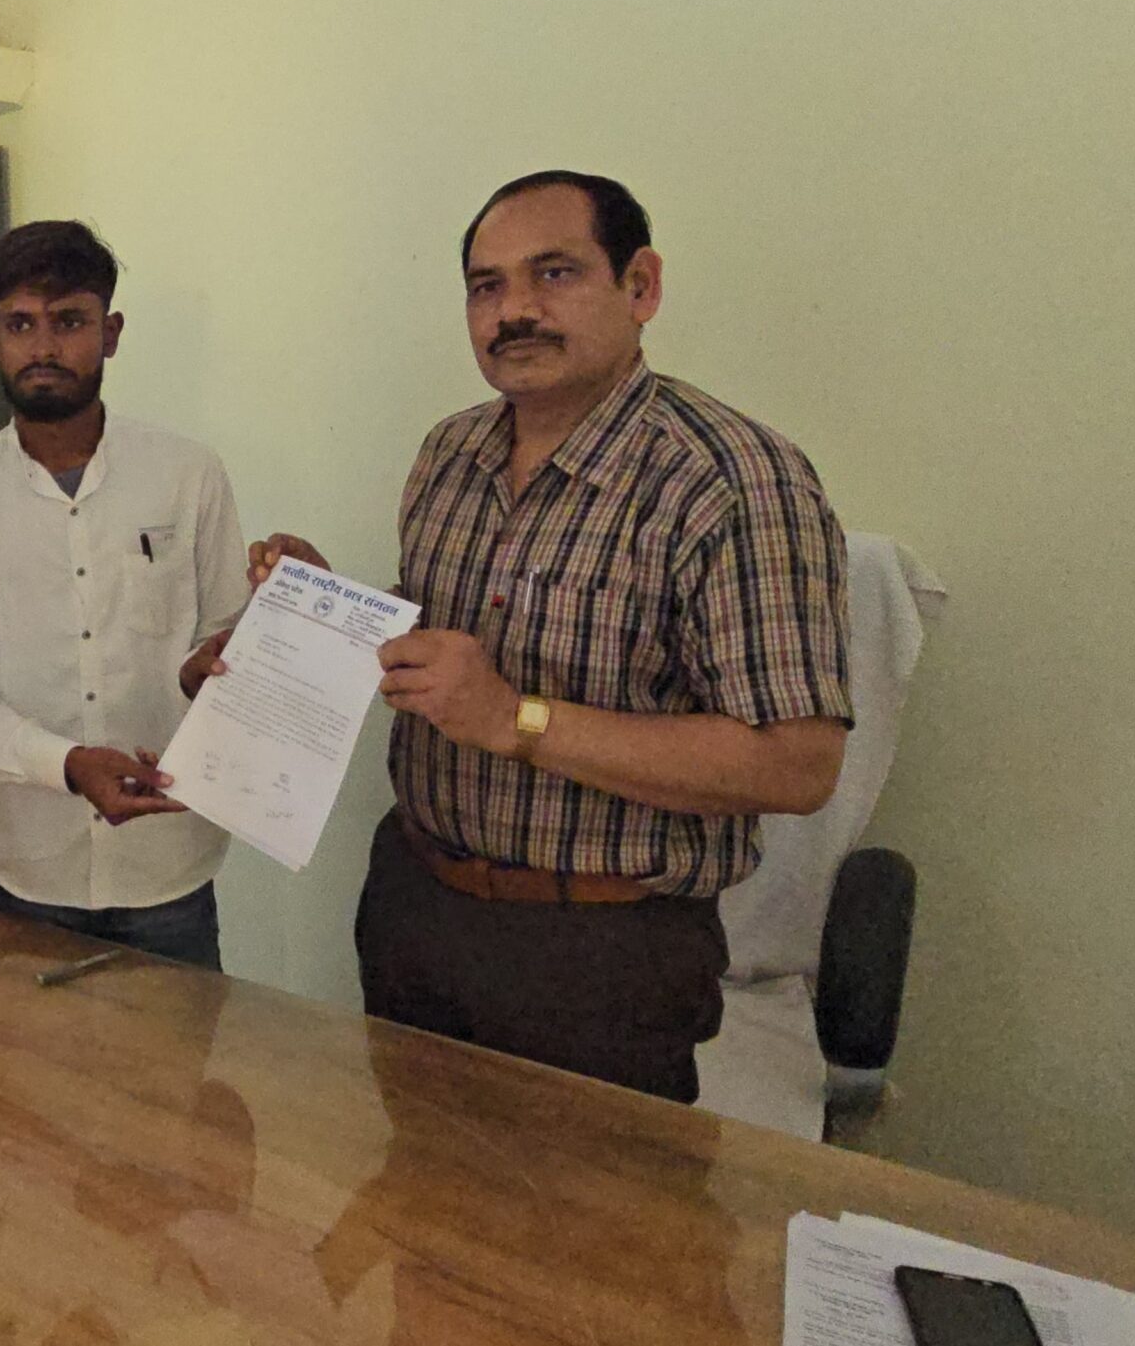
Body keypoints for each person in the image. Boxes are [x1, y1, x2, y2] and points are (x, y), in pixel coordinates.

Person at [354, 170, 851, 1102]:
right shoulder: (449, 453)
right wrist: (314, 616)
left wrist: (516, 718)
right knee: (408, 1176)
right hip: (414, 903)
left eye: (555, 273)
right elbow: (443, 646)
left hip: (601, 948)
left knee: (587, 1202)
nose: (515, 310)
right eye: (487, 285)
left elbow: (797, 764)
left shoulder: (734, 480)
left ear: (641, 286)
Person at [0, 221, 249, 971]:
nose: (43, 347)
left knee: (178, 1050)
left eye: (68, 322)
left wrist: (214, 665)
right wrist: (65, 765)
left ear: (110, 332)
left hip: (169, 866)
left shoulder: (188, 474)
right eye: (21, 324)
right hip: (24, 869)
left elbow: (223, 634)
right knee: (28, 1054)